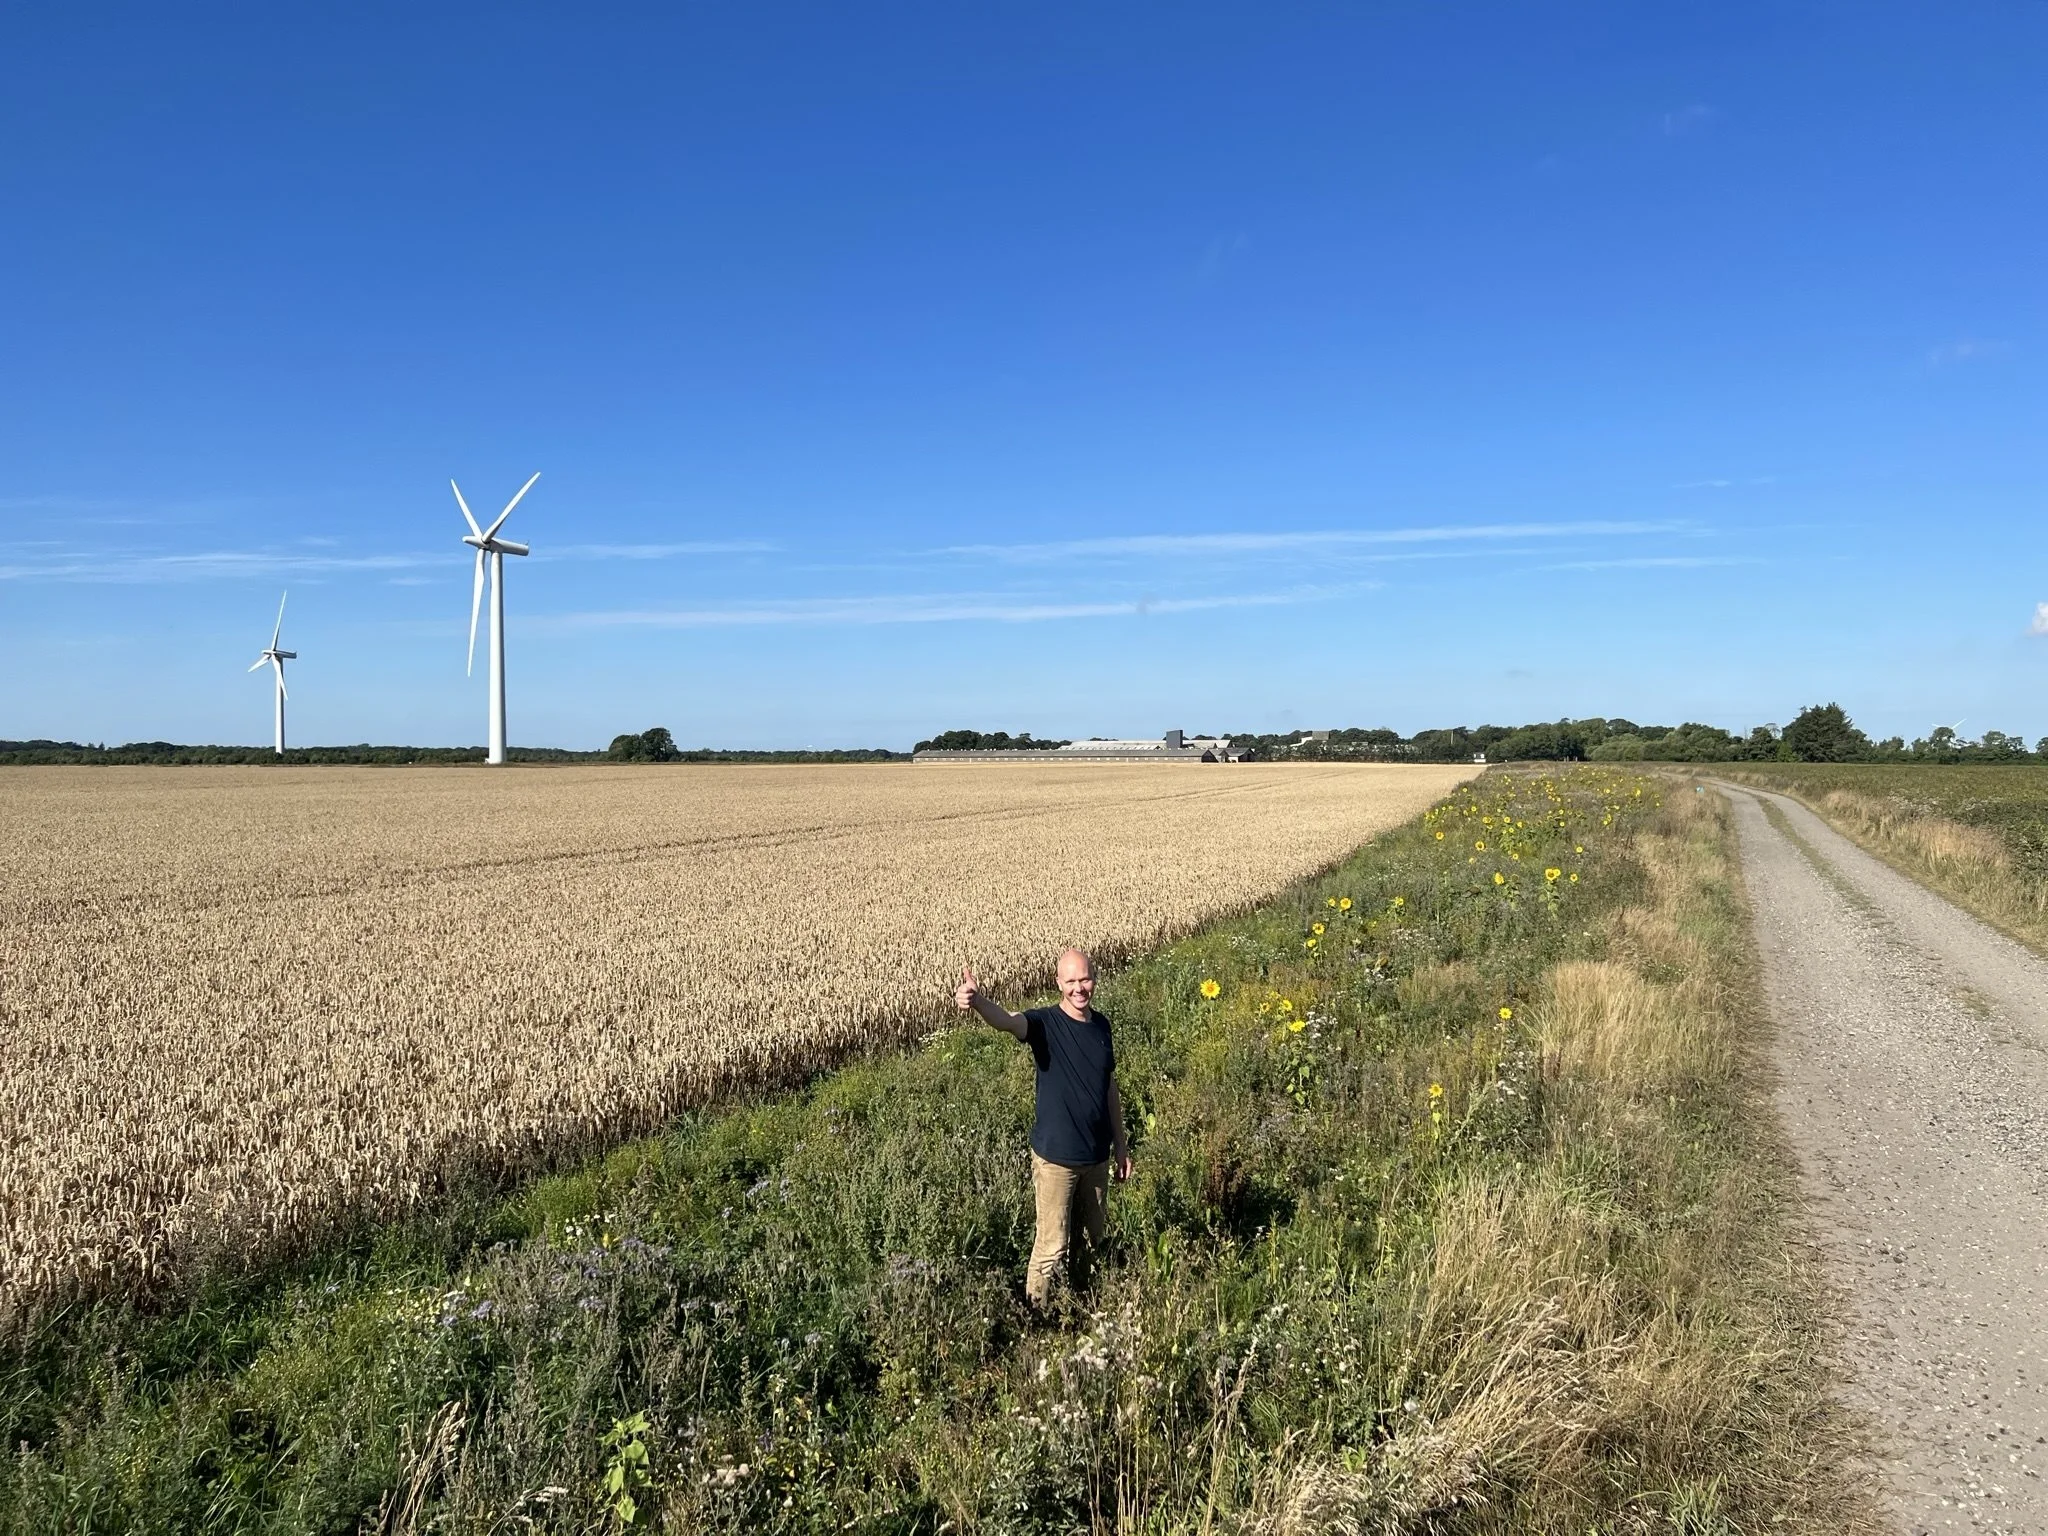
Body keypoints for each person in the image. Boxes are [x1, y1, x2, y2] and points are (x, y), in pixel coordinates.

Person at [955, 948, 1132, 1308]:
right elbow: (1008, 1020)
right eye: (1071, 981)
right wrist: (977, 1002)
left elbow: (1109, 1086)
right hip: (1056, 1161)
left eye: (1085, 979)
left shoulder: (1102, 1026)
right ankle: (1037, 1316)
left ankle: (1085, 1307)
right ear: (1058, 983)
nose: (1079, 988)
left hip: (1096, 1158)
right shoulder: (1044, 1025)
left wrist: (1121, 1144)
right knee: (1052, 1247)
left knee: (1092, 1239)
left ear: (1094, 978)